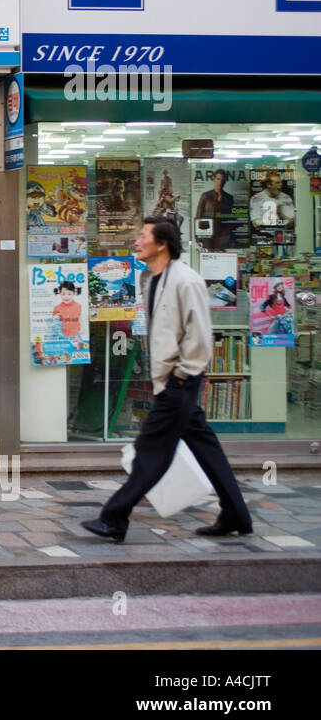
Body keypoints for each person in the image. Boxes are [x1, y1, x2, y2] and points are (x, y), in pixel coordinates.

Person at [82, 217, 252, 542]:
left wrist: (182, 376)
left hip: (179, 382)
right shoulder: (153, 280)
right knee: (207, 449)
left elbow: (200, 334)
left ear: (162, 244)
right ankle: (236, 513)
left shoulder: (185, 281)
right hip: (171, 381)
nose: (137, 241)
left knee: (151, 452)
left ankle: (114, 518)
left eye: (143, 236)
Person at [195, 168, 235, 249]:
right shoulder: (206, 196)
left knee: (223, 258)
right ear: (214, 179)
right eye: (218, 179)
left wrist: (232, 236)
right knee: (209, 257)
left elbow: (232, 218)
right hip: (208, 233)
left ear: (225, 181)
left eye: (223, 179)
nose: (220, 182)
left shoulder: (229, 197)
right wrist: (198, 237)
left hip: (224, 234)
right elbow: (199, 216)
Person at [51, 281, 83, 350]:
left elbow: (81, 319)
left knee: (79, 351)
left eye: (69, 294)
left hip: (76, 336)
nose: (66, 297)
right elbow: (54, 323)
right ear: (59, 293)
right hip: (62, 337)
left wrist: (82, 329)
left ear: (74, 293)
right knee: (62, 355)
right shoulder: (57, 308)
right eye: (63, 294)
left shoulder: (78, 306)